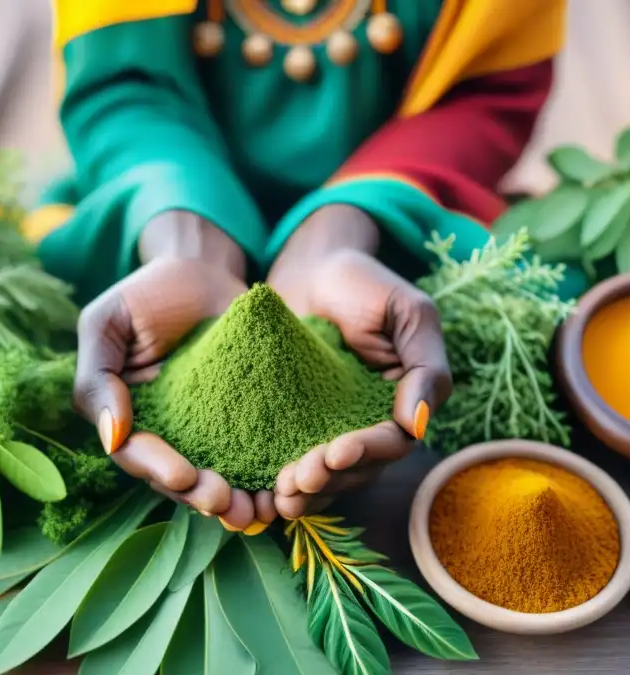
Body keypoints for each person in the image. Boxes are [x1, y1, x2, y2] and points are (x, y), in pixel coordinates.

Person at [28, 0, 566, 533]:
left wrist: (338, 232)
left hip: (396, 207)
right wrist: (186, 245)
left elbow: (482, 99)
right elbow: (121, 85)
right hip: (167, 190)